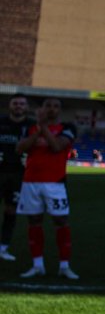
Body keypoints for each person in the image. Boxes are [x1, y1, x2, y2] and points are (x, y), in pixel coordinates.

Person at [15, 98, 78, 279]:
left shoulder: (68, 128)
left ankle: (64, 266)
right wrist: (38, 130)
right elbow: (20, 148)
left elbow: (57, 146)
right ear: (41, 108)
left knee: (61, 221)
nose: (51, 109)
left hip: (55, 183)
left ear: (60, 110)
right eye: (48, 106)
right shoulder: (28, 128)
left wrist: (42, 127)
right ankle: (37, 265)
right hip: (30, 182)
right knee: (34, 221)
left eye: (56, 106)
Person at [0, 94, 31, 261]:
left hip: (19, 176)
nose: (18, 106)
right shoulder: (1, 122)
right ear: (10, 106)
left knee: (11, 210)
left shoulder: (33, 126)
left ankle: (3, 248)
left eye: (22, 104)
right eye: (15, 103)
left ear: (26, 107)